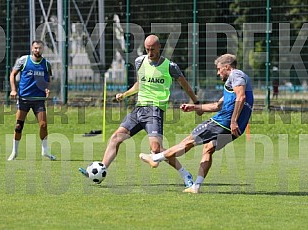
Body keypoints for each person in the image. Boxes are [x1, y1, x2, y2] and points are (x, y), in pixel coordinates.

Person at [79, 34, 199, 187]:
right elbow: (139, 84)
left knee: (156, 150)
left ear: (159, 47)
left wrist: (196, 103)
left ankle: (185, 174)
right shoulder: (139, 61)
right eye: (147, 49)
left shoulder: (170, 67)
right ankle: (100, 169)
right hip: (138, 109)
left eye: (153, 49)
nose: (150, 53)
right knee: (115, 138)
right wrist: (125, 94)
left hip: (155, 111)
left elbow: (185, 85)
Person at [139, 54, 254, 193]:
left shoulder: (236, 75)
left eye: (219, 69)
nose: (218, 73)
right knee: (208, 148)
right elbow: (217, 106)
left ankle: (155, 158)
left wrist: (233, 120)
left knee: (188, 141)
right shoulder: (235, 83)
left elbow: (241, 97)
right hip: (235, 129)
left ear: (227, 67)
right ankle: (196, 186)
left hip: (224, 122)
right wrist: (195, 107)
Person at [7, 40, 56, 161]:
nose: (37, 50)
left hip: (39, 100)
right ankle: (14, 152)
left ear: (43, 49)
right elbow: (12, 74)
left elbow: (49, 79)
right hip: (24, 98)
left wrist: (47, 89)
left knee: (43, 125)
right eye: (35, 48)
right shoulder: (24, 60)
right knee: (19, 126)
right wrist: (13, 90)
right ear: (31, 48)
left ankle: (45, 151)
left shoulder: (46, 64)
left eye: (39, 48)